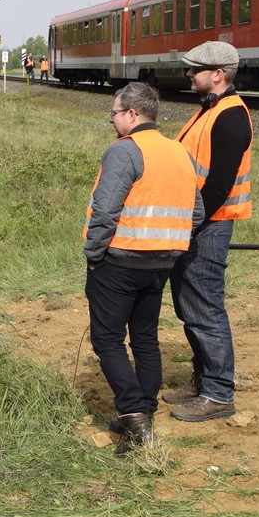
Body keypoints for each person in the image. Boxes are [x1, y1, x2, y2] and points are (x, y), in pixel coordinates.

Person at [84, 82, 203, 454]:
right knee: (145, 337)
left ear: (132, 114)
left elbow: (105, 210)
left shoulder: (125, 150)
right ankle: (145, 412)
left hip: (119, 260)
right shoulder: (178, 151)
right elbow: (196, 211)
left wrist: (94, 252)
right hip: (162, 261)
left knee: (107, 339)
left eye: (115, 113)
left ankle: (135, 418)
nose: (111, 119)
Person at [164, 41, 253, 422]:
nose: (188, 74)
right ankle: (203, 379)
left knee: (205, 309)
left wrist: (190, 224)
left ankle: (218, 393)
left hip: (208, 226)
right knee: (190, 307)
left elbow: (218, 185)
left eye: (194, 69)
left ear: (218, 74)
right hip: (197, 224)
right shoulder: (209, 110)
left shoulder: (230, 115)